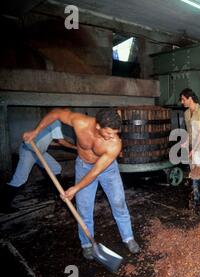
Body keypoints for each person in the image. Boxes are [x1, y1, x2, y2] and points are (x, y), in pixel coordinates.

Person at [23, 108, 140, 260]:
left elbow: (96, 171)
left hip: (107, 170)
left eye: (116, 133)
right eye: (110, 133)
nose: (114, 137)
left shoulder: (115, 144)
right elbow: (57, 113)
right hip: (84, 166)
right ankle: (87, 244)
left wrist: (75, 188)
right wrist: (36, 131)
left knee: (118, 202)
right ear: (98, 126)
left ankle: (128, 237)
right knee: (84, 208)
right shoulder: (80, 122)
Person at [1, 120, 76, 214]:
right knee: (20, 179)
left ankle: (59, 194)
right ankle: (3, 205)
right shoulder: (55, 122)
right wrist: (75, 147)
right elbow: (61, 141)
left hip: (39, 152)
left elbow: (50, 140)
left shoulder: (53, 123)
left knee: (55, 168)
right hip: (29, 151)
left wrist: (58, 144)